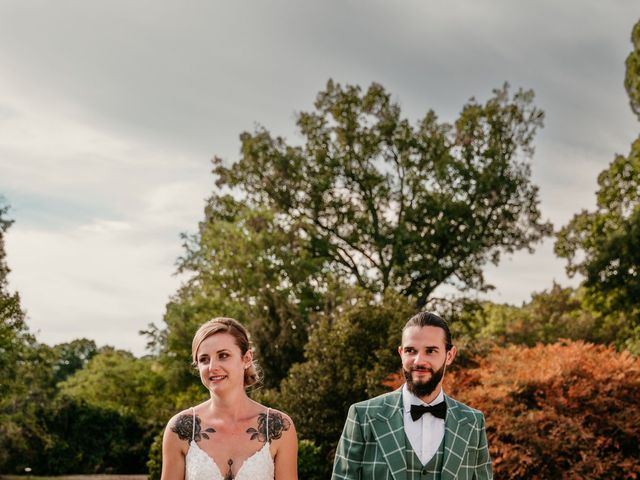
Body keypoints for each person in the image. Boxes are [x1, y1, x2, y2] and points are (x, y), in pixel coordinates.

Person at [332, 312, 492, 480]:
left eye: (430, 351)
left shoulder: (473, 422)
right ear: (401, 353)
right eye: (410, 350)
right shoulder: (363, 416)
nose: (418, 361)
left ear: (449, 355)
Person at [161, 317, 298, 480]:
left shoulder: (279, 427)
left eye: (223, 355)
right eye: (204, 359)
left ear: (246, 359)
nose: (212, 367)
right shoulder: (180, 428)